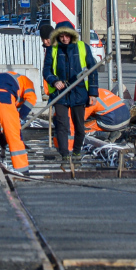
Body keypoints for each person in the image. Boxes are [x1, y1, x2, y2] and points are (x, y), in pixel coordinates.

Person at [42, 21, 98, 165]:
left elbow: (92, 71)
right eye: (62, 36)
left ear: (72, 35)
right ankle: (64, 154)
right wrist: (54, 81)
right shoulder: (53, 49)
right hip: (60, 94)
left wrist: (93, 93)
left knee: (79, 125)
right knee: (61, 124)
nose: (65, 39)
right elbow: (46, 70)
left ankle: (77, 151)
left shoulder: (82, 47)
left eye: (67, 36)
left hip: (78, 92)